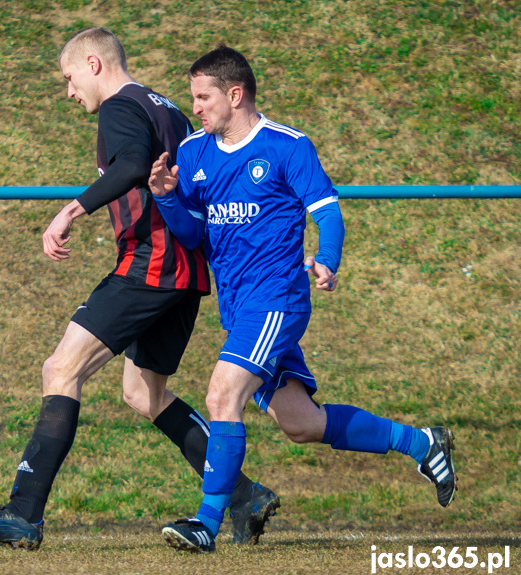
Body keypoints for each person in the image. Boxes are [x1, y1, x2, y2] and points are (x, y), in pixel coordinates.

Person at [0, 28, 280, 550]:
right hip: (185, 271)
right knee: (143, 393)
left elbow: (128, 166)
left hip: (153, 263)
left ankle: (24, 512)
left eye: (69, 77)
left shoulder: (119, 107)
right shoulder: (168, 107)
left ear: (95, 64)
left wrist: (69, 211)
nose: (69, 90)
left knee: (60, 368)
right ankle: (242, 495)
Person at [148, 45, 458, 553]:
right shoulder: (193, 154)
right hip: (240, 308)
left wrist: (328, 259)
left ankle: (206, 523)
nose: (195, 109)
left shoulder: (287, 146)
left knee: (222, 394)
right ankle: (422, 442)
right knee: (302, 424)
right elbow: (192, 236)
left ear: (235, 93)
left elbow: (327, 211)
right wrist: (165, 197)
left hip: (278, 300)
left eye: (203, 98)